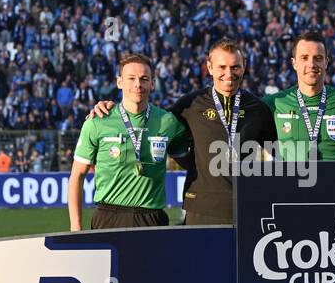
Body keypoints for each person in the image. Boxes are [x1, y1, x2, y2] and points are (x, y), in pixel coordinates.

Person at [91, 39, 276, 225]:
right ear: (209, 68)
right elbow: (153, 120)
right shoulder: (190, 104)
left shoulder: (258, 109)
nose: (228, 73)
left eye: (235, 67)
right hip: (201, 208)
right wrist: (113, 109)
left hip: (247, 206)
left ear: (244, 67)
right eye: (222, 67)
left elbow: (279, 154)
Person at [70, 53, 188, 230]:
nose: (137, 84)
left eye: (144, 79)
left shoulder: (168, 122)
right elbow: (76, 176)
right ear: (120, 82)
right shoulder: (97, 121)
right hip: (108, 217)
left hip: (152, 218)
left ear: (152, 83)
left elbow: (190, 159)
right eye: (131, 78)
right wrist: (76, 227)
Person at [262, 29, 335, 163]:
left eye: (318, 58)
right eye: (304, 58)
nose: (311, 64)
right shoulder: (275, 102)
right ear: (294, 63)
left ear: (326, 62)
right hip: (290, 183)